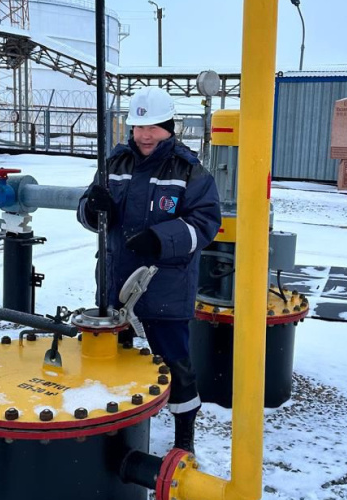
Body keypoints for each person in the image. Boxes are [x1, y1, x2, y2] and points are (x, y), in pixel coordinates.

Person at [77, 86, 221, 453]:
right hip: (114, 283)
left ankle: (184, 435)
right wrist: (93, 209)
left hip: (165, 287)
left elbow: (205, 223)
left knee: (176, 363)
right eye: (139, 127)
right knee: (112, 360)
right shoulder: (114, 164)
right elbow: (88, 210)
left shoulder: (189, 171)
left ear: (170, 127)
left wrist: (160, 239)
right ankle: (115, 428)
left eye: (154, 127)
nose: (145, 135)